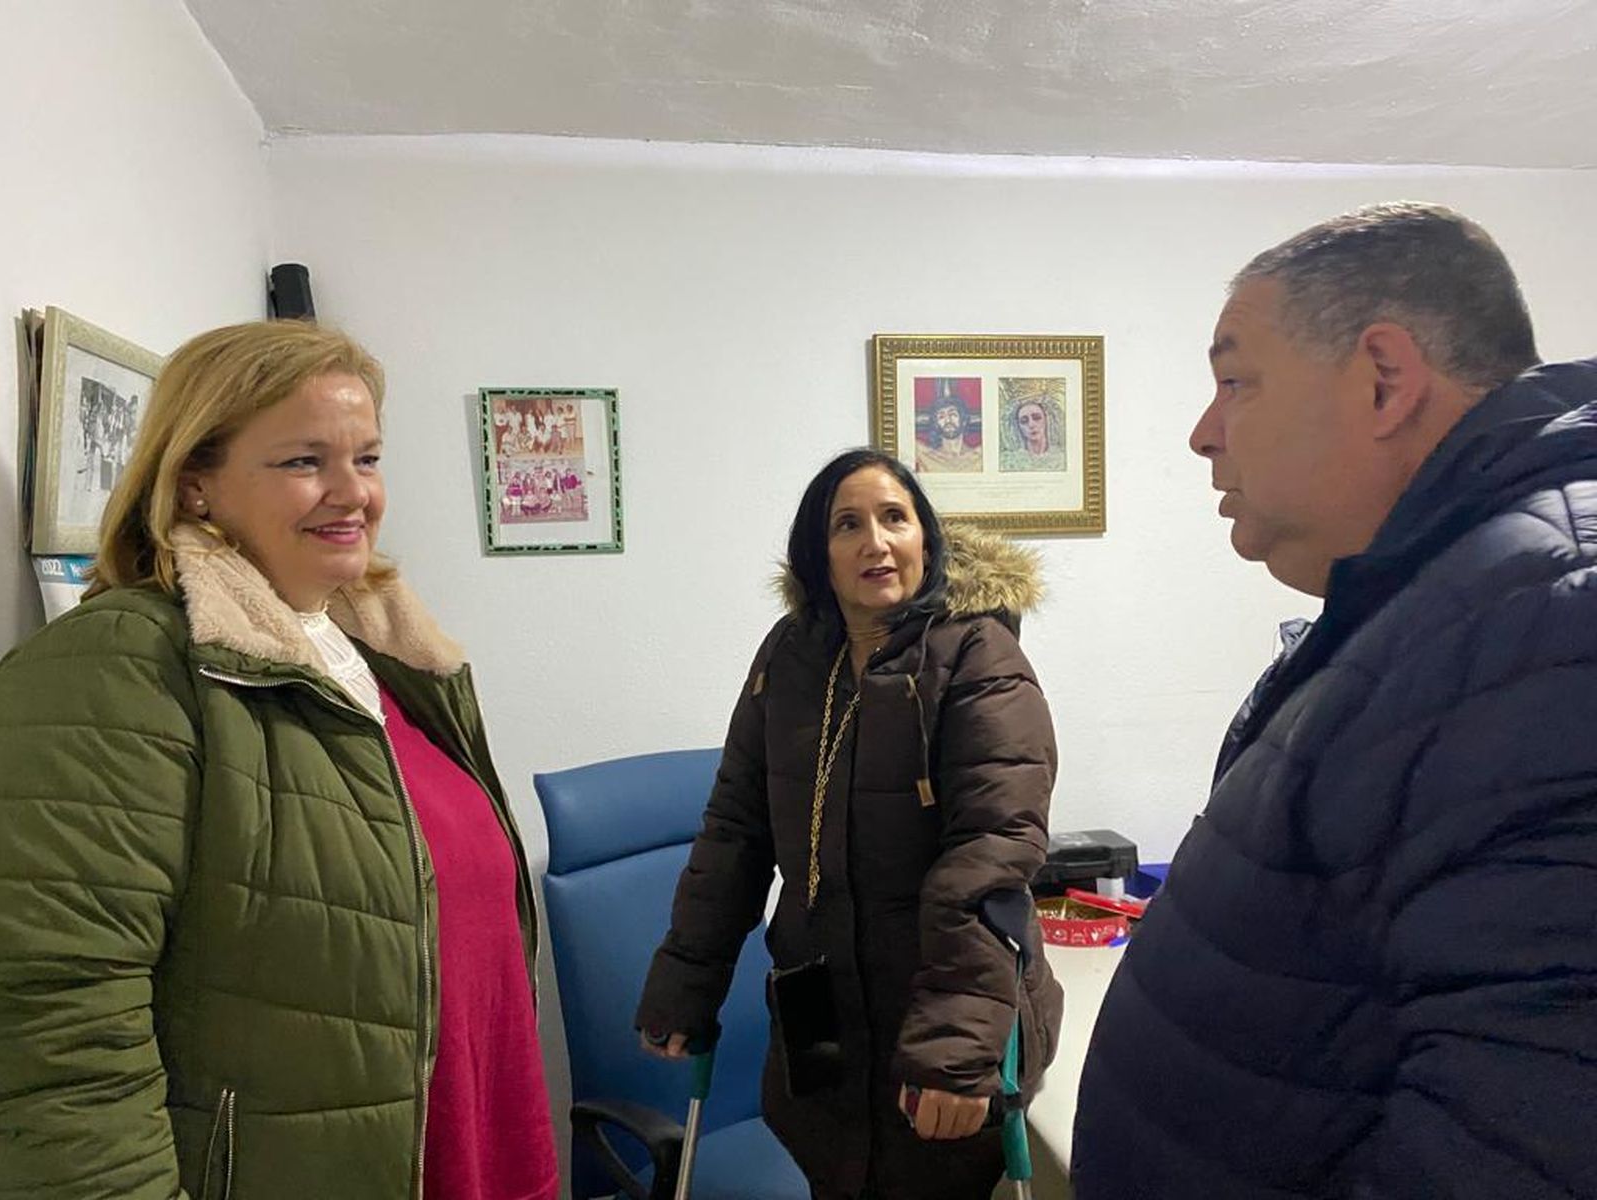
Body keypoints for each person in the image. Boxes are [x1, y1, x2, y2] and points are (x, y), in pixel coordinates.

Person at [1073, 202, 1597, 1198]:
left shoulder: (1555, 617)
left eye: (1235, 381)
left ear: (1382, 379)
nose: (1201, 432)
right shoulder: (1451, 602)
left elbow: (1528, 1146)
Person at [0, 321, 560, 1200]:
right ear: (195, 486)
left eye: (367, 459)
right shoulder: (120, 668)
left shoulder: (378, 655)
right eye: (305, 462)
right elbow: (53, 1023)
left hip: (465, 1144)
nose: (353, 494)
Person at [635, 448, 1064, 1200]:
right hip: (820, 1023)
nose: (876, 541)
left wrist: (958, 1047)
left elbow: (992, 856)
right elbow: (735, 831)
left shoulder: (977, 656)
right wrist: (686, 983)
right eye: (848, 524)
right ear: (817, 555)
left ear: (925, 539)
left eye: (895, 517)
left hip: (939, 1019)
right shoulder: (791, 658)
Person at [916, 382, 981, 473]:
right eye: (941, 416)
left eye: (952, 414)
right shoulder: (927, 458)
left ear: (964, 421)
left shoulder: (978, 457)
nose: (948, 420)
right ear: (936, 424)